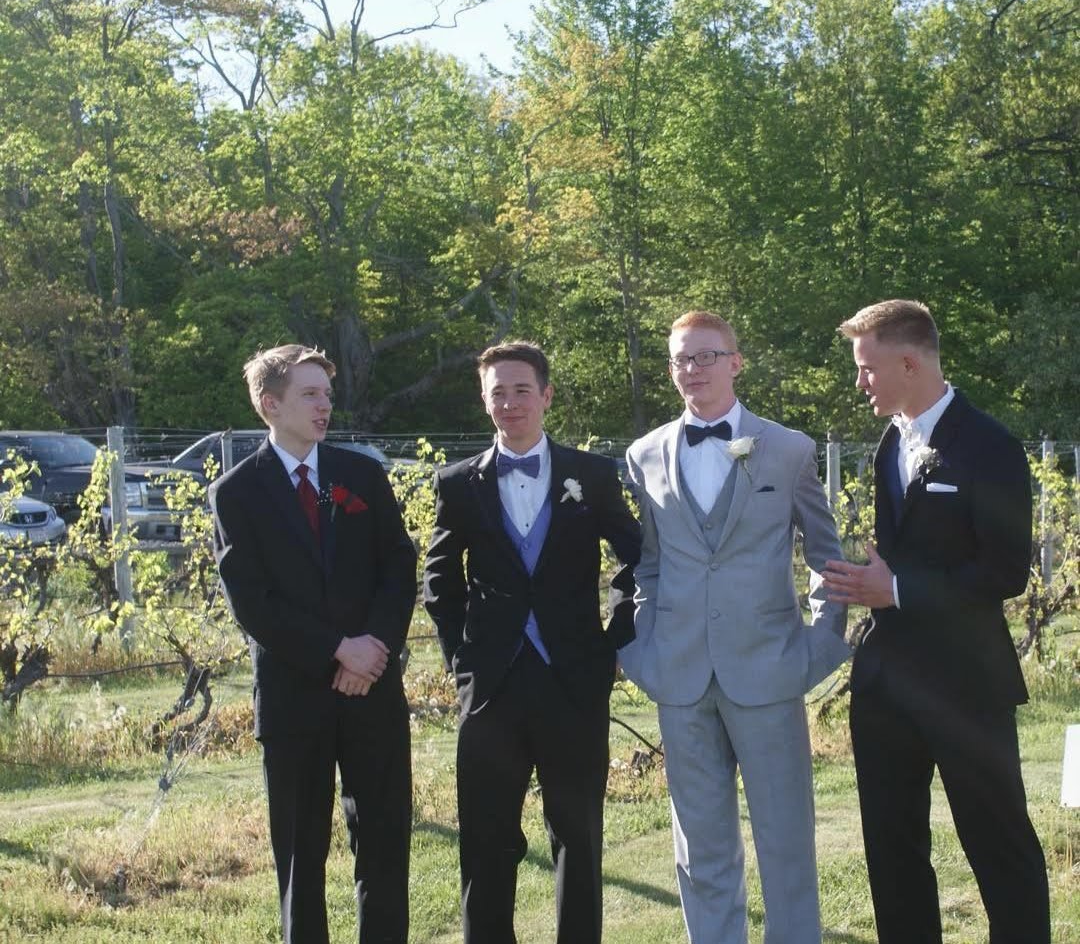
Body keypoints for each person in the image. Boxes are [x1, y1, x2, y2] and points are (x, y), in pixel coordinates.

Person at [617, 310, 850, 944]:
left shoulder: (790, 449)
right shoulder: (644, 455)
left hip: (770, 669)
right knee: (700, 846)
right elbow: (647, 564)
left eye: (706, 356)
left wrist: (823, 642)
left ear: (736, 363)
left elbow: (826, 555)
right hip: (678, 675)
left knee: (786, 839)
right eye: (680, 359)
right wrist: (643, 648)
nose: (692, 369)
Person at [824, 299, 1050, 944]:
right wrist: (868, 584)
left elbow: (1005, 571)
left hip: (966, 684)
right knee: (891, 849)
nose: (860, 382)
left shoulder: (991, 447)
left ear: (909, 363)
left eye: (867, 368)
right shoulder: (889, 443)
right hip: (886, 686)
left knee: (998, 844)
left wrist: (895, 590)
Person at [423, 341, 641, 944]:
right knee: (486, 838)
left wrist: (617, 639)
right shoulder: (458, 483)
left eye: (522, 390)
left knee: (578, 835)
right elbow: (439, 581)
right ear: (484, 400)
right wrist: (461, 661)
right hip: (490, 685)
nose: (510, 402)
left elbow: (637, 560)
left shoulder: (591, 475)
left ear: (546, 396)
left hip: (574, 678)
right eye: (498, 392)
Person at [209, 344, 416, 944]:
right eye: (309, 394)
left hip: (372, 689)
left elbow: (398, 567)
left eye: (326, 394)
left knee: (384, 846)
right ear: (270, 404)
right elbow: (253, 603)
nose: (325, 405)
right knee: (301, 857)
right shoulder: (235, 493)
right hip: (294, 698)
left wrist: (372, 648)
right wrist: (336, 649)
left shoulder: (363, 476)